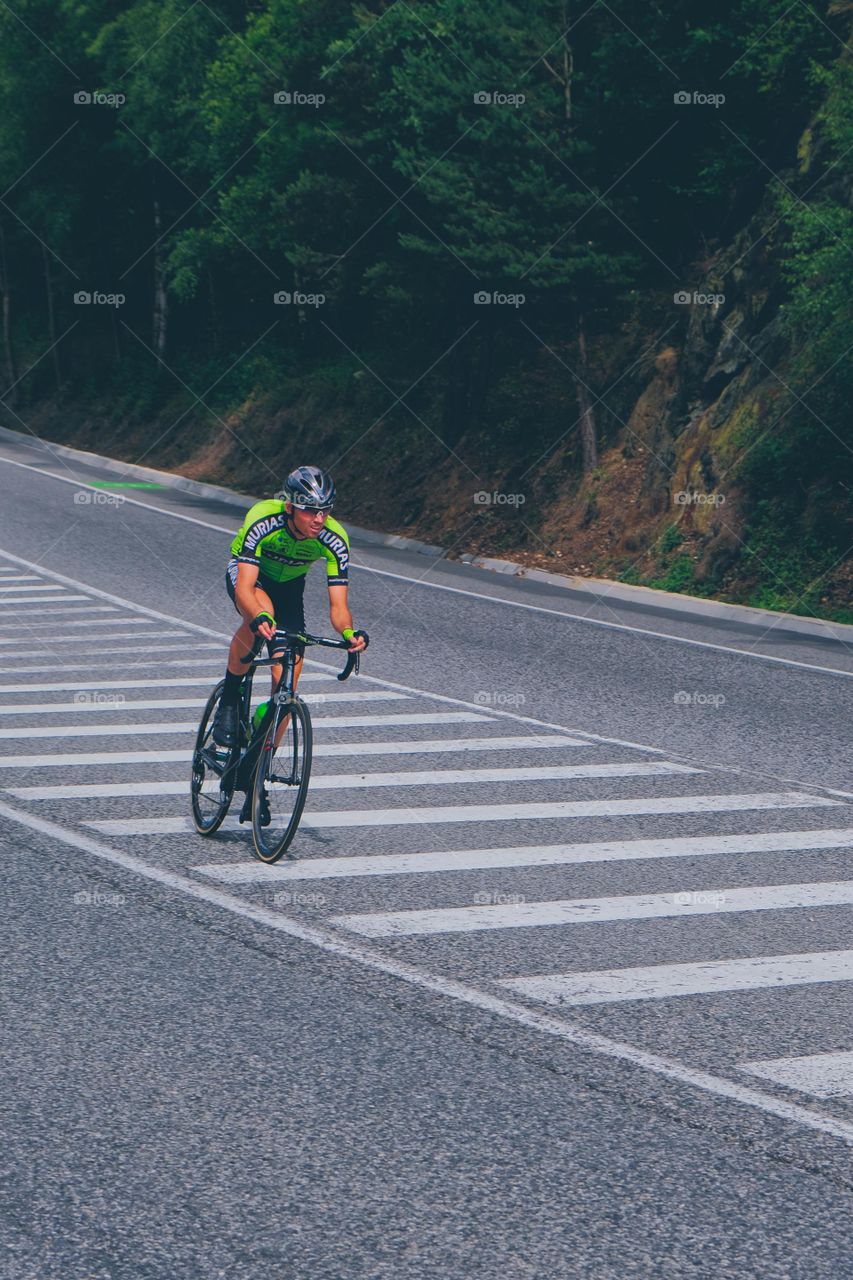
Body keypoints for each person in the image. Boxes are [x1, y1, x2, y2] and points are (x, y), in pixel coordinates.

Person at [211, 464, 368, 748]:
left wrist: (349, 634)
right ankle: (230, 700)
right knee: (262, 616)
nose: (318, 519)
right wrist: (256, 616)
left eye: (325, 510)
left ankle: (259, 762)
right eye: (309, 510)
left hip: (290, 590)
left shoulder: (335, 539)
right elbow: (245, 588)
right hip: (250, 576)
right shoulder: (263, 518)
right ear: (290, 508)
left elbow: (339, 607)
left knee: (286, 685)